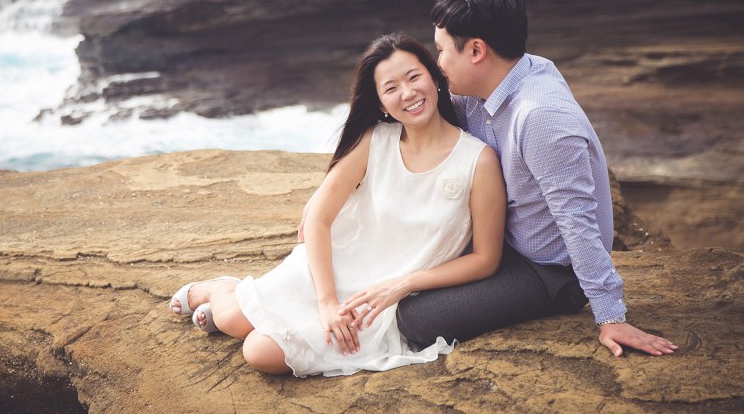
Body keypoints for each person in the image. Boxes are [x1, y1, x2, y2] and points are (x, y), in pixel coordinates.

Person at [169, 32, 506, 377]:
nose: (407, 93)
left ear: (434, 79)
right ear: (379, 103)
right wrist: (327, 302)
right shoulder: (373, 140)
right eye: (391, 88)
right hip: (329, 271)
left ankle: (237, 300)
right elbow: (318, 218)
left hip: (379, 299)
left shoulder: (478, 160)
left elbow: (485, 259)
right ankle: (223, 289)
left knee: (259, 352)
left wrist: (405, 284)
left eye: (414, 77)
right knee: (230, 317)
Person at [394, 0, 677, 358]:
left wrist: (611, 315)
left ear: (476, 50)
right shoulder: (493, 83)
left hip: (547, 269)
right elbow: (423, 116)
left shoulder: (541, 116)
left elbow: (577, 220)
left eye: (442, 51)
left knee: (415, 319)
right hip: (497, 239)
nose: (437, 63)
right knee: (389, 265)